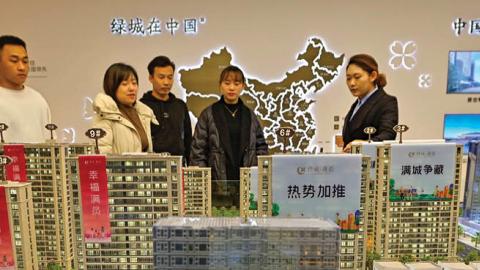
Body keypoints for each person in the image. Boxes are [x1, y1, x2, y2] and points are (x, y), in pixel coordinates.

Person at [190, 65, 268, 207]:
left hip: (246, 187)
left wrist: (255, 175)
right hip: (217, 187)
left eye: (236, 84)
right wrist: (205, 184)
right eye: (227, 83)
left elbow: (261, 147)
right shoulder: (208, 114)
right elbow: (197, 152)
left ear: (243, 86)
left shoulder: (250, 115)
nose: (231, 88)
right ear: (220, 86)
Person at [92, 63, 157, 154]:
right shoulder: (105, 114)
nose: (132, 88)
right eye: (125, 84)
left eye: (134, 83)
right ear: (112, 87)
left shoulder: (143, 113)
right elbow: (101, 157)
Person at [140, 56, 192, 165]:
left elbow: (188, 140)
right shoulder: (141, 106)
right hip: (151, 168)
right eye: (161, 77)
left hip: (178, 166)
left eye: (170, 77)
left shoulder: (180, 105)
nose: (166, 82)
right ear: (151, 78)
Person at [0, 35, 52, 143]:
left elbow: (49, 140)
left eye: (25, 61)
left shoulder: (38, 99)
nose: (21, 67)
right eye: (14, 61)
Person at [342, 54, 398, 152]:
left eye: (357, 77)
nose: (352, 83)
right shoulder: (357, 104)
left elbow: (388, 135)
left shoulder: (387, 102)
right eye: (348, 78)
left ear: (373, 76)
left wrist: (364, 144)